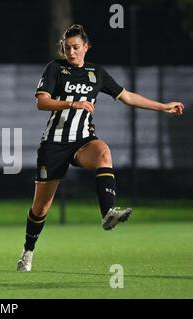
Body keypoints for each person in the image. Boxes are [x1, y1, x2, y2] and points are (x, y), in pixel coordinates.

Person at [17, 24, 184, 272]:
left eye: (76, 47)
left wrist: (163, 107)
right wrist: (74, 104)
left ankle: (107, 214)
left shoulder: (97, 73)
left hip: (83, 140)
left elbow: (127, 96)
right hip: (54, 144)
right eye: (67, 47)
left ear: (86, 47)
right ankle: (27, 252)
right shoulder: (55, 68)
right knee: (41, 207)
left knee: (103, 151)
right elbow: (42, 102)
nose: (71, 52)